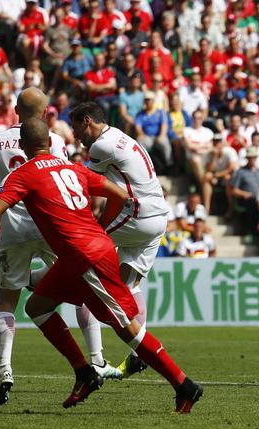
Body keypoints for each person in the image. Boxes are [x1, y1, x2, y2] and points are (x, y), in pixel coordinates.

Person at [0, 119, 202, 412]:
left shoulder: (22, 175)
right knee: (36, 307)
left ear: (22, 146)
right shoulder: (73, 168)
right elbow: (121, 195)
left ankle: (184, 385)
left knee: (127, 328)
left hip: (86, 258)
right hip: (81, 255)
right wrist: (100, 227)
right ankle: (85, 373)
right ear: (50, 142)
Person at [0, 88, 120, 406]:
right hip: (51, 227)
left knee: (7, 302)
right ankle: (96, 358)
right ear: (44, 112)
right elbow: (64, 180)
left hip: (13, 229)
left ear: (15, 109)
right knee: (80, 290)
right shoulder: (54, 141)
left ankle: (5, 371)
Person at [69, 102, 171, 379]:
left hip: (137, 213)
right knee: (130, 284)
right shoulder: (122, 136)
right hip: (159, 216)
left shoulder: (100, 147)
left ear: (87, 121)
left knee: (84, 269)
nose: (75, 135)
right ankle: (139, 355)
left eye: (77, 127)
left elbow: (87, 185)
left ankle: (96, 361)